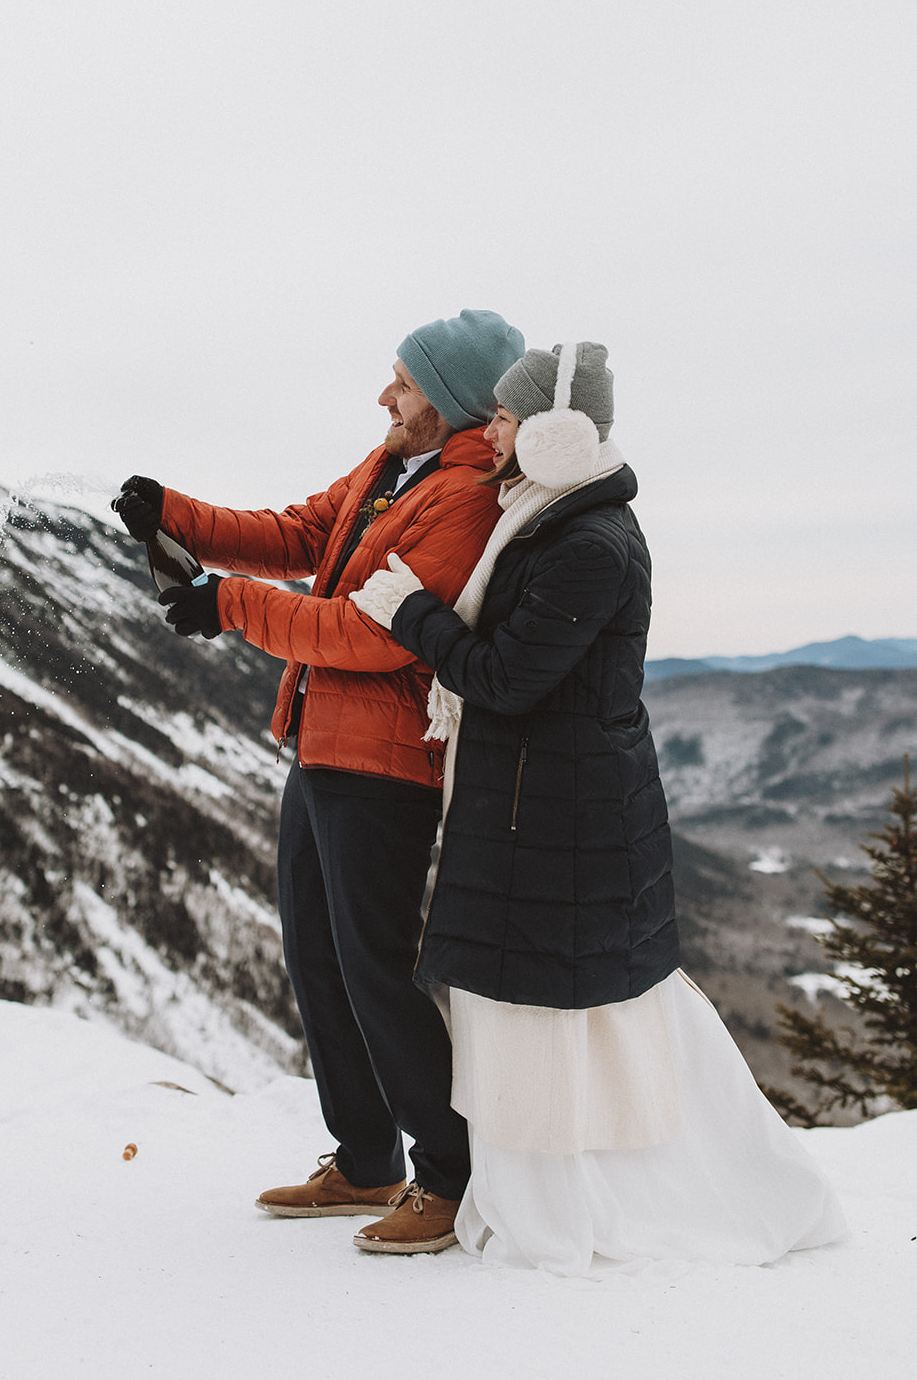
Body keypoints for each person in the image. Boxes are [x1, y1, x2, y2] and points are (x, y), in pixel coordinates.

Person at [349, 342, 846, 1272]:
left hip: (560, 823)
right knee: (539, 1007)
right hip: (538, 814)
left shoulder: (589, 543)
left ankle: (574, 1200)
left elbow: (502, 678)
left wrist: (411, 612)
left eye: (504, 418)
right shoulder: (545, 521)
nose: (487, 432)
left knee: (554, 1011)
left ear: (554, 432)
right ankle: (532, 1186)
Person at [112, 309, 525, 1253]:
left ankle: (450, 1177)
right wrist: (173, 514)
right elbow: (303, 534)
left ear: (453, 402)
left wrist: (228, 605)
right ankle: (365, 1154)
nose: (387, 396)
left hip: (385, 764)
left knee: (375, 966)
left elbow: (371, 634)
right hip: (320, 746)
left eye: (405, 384)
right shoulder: (391, 468)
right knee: (318, 958)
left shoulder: (463, 496)